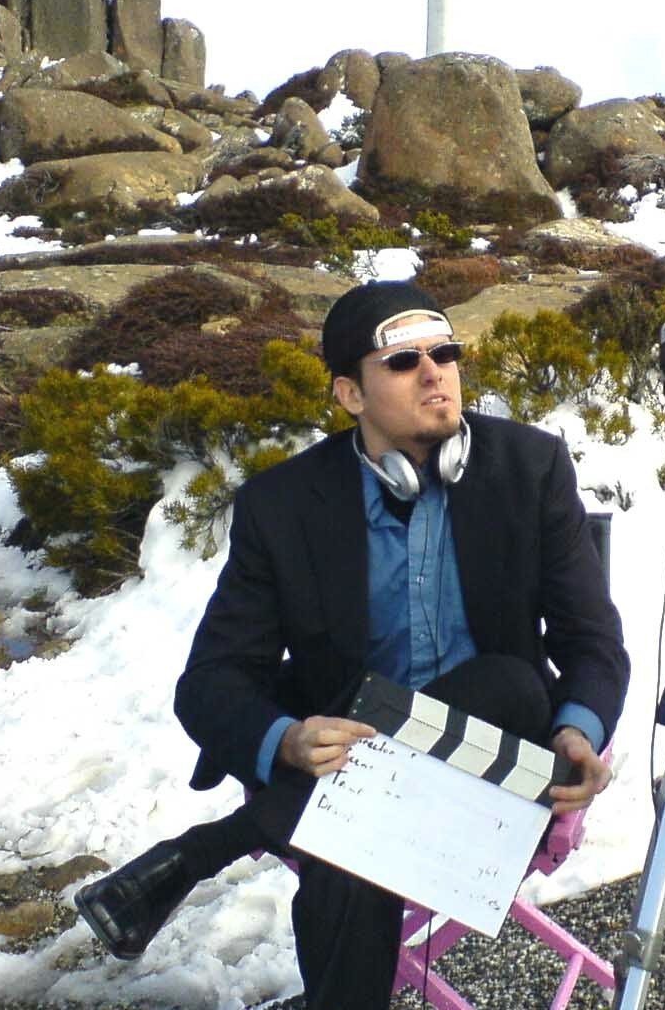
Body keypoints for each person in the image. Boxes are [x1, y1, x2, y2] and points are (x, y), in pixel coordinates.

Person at [74, 280, 630, 1010]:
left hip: (494, 770)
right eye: (403, 363)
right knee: (355, 841)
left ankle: (205, 852)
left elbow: (594, 644)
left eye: (446, 352)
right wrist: (290, 738)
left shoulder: (530, 469)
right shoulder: (284, 507)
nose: (435, 373)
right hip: (342, 787)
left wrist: (580, 729)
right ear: (349, 395)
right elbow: (211, 681)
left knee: (507, 685)